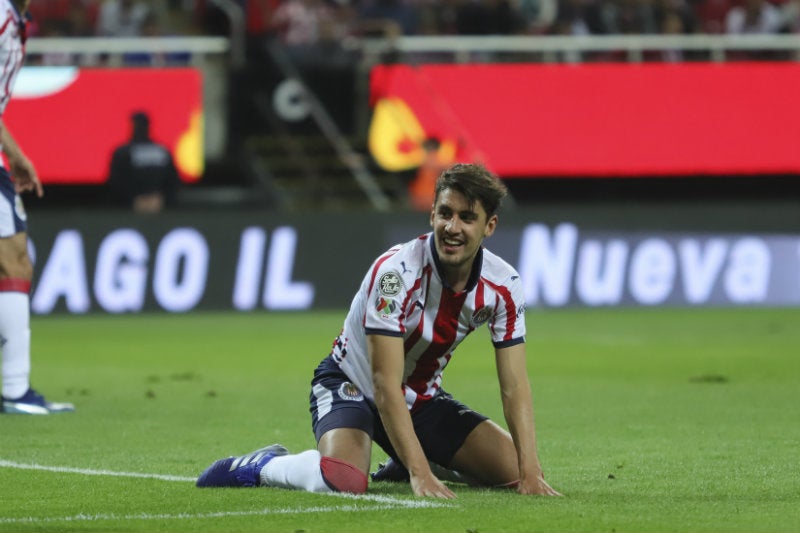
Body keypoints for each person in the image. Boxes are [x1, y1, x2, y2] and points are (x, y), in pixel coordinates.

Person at [196, 163, 561, 498]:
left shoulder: (504, 284)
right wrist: (421, 474)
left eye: (467, 218)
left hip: (421, 400)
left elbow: (514, 384)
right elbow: (384, 384)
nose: (453, 228)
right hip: (352, 385)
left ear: (489, 226)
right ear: (431, 213)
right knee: (344, 481)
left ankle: (406, 460)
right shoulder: (395, 274)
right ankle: (265, 465)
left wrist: (530, 473)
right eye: (445, 214)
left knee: (515, 471)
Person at [0, 0, 75, 415]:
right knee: (14, 261)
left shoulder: (18, 20)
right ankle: (14, 390)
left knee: (11, 261)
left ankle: (14, 388)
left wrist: (16, 155)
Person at [106, 111, 180, 214]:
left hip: (156, 205)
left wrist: (161, 199)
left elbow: (173, 180)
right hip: (133, 207)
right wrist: (133, 200)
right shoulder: (123, 152)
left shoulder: (161, 151)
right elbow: (116, 181)